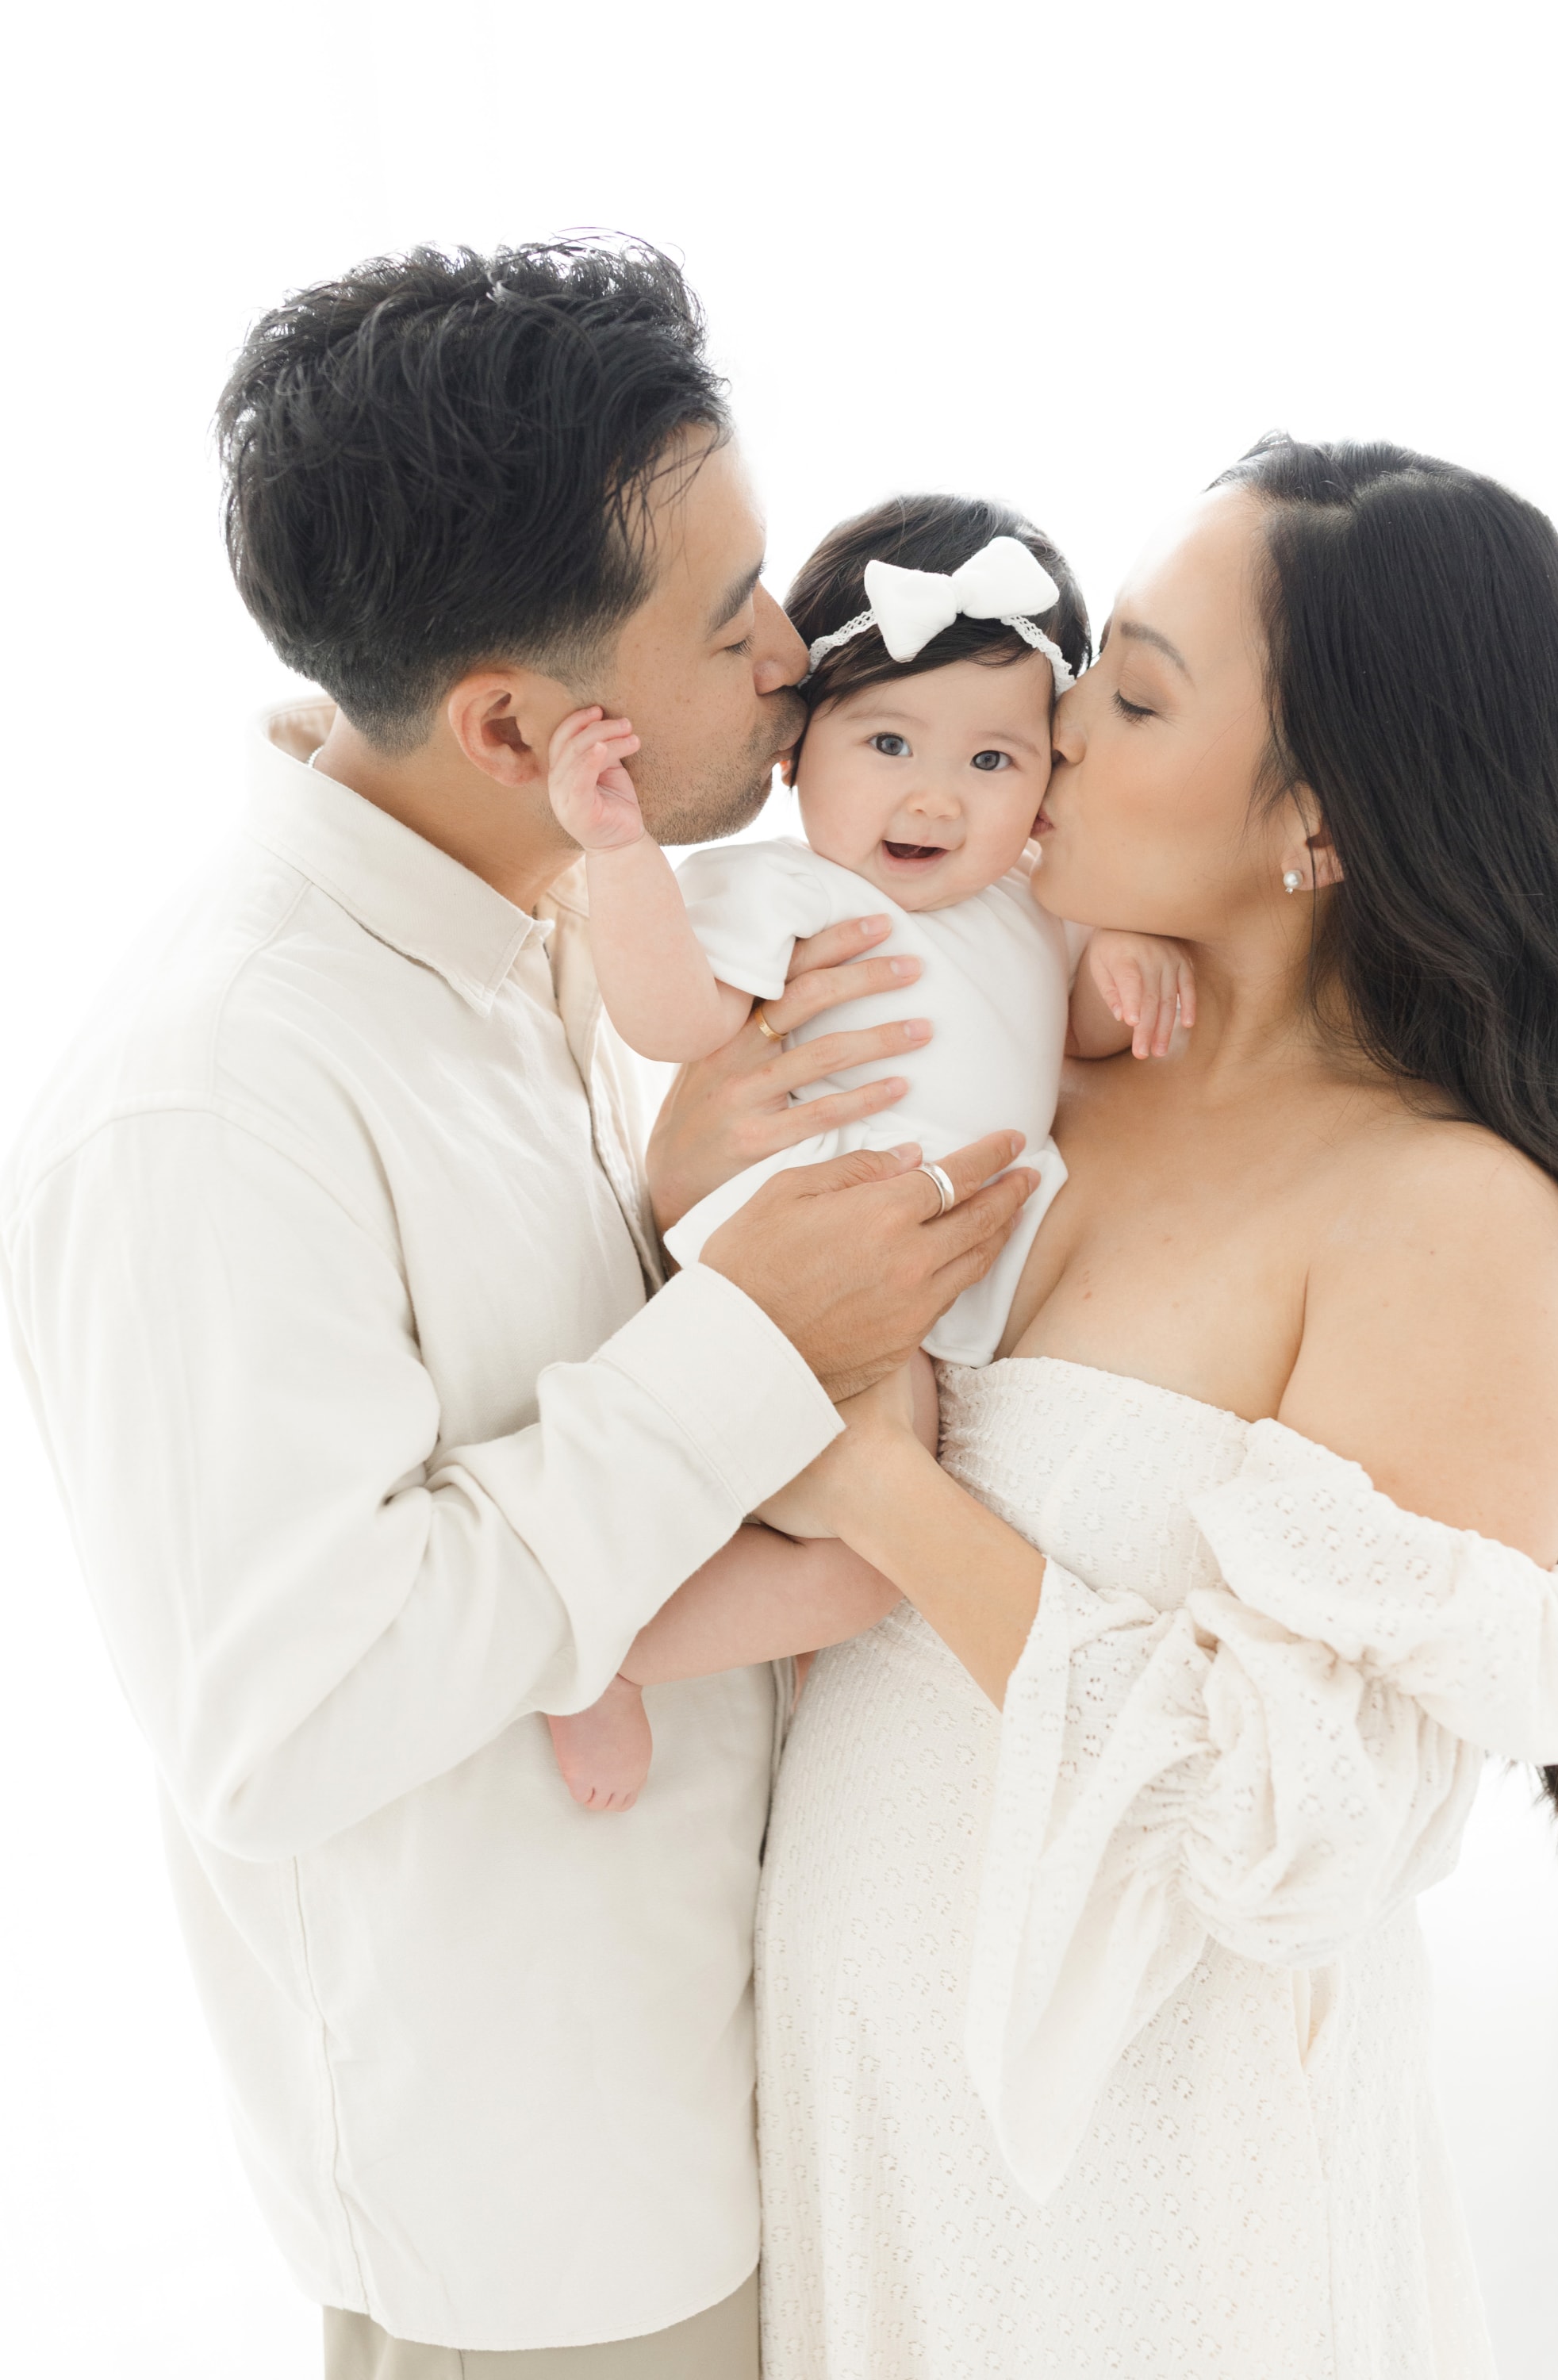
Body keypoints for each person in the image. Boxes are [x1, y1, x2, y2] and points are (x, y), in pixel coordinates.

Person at [0, 237, 1038, 2378]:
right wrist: (745, 1339)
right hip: (564, 2235)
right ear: (512, 722)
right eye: (730, 616)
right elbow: (280, 1719)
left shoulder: (543, 917)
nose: (794, 652)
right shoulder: (216, 1097)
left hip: (757, 2106)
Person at [749, 438, 1558, 2377]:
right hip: (858, 2149)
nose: (1055, 723)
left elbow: (1289, 1826)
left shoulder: (1448, 1220)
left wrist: (882, 1495)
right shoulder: (1027, 1049)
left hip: (1149, 2220)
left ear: (1318, 827)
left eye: (1139, 693)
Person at [545, 493, 1194, 1811]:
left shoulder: (1034, 910)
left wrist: (1132, 945)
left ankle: (649, 1639)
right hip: (793, 1287)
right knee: (864, 1562)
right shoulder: (781, 893)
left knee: (874, 1558)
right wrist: (621, 854)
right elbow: (668, 1017)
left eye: (995, 763)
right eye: (888, 739)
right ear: (795, 754)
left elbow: (1086, 1035)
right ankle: (597, 1648)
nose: (934, 796)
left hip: (908, 1308)